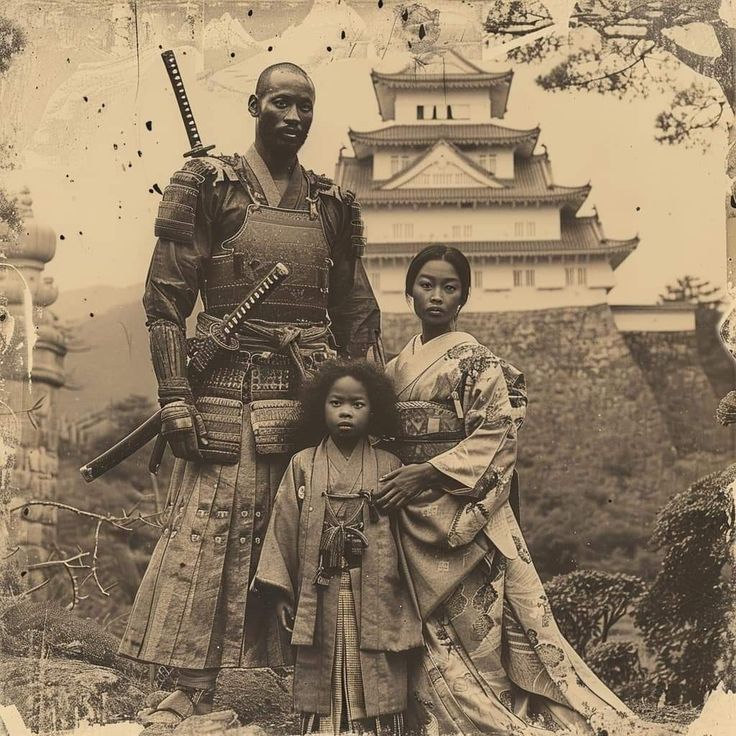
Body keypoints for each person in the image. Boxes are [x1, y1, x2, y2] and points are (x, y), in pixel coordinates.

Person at [118, 62, 381, 725]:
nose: (293, 118)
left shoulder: (331, 203)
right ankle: (190, 688)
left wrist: (365, 396)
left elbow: (356, 310)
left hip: (310, 396)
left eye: (305, 107)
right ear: (255, 105)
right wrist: (175, 394)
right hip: (223, 389)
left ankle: (305, 689)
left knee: (304, 536)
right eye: (281, 103)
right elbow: (166, 302)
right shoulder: (209, 186)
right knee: (210, 530)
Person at [374, 245, 648, 735]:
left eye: (449, 287)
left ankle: (493, 708)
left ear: (465, 297)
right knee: (429, 631)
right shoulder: (395, 369)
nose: (436, 297)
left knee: (483, 630)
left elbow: (496, 436)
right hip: (410, 514)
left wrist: (427, 473)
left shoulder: (479, 362)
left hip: (461, 507)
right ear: (409, 291)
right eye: (426, 285)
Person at [254, 360, 422, 736]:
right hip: (320, 587)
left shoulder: (388, 464)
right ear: (321, 407)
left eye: (358, 404)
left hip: (376, 588)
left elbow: (406, 535)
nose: (346, 412)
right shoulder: (303, 464)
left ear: (374, 409)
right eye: (336, 403)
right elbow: (283, 527)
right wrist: (281, 592)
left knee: (374, 667)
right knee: (322, 662)